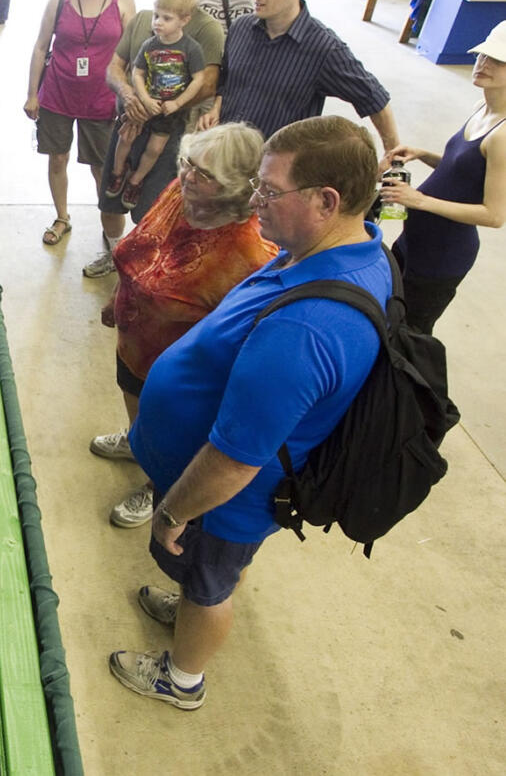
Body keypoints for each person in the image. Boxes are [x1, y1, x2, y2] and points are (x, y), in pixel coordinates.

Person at [109, 115, 392, 709]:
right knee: (205, 578)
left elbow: (235, 460)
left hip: (223, 502)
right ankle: (191, 602)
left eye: (268, 191)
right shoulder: (335, 246)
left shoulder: (307, 328)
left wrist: (171, 512)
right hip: (212, 491)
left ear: (326, 200)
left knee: (211, 582)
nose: (253, 200)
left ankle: (182, 679)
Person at [92, 124, 278, 529]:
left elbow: (244, 337)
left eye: (205, 174)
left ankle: (156, 482)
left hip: (180, 367)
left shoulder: (250, 252)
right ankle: (135, 439)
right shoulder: (182, 191)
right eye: (188, 163)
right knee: (133, 395)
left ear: (236, 188)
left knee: (167, 432)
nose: (189, 176)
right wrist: (118, 298)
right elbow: (142, 243)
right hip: (136, 337)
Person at [86, 0, 224, 278]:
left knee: (152, 207)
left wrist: (155, 110)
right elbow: (117, 68)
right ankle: (115, 253)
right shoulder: (145, 19)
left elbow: (207, 84)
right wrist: (131, 97)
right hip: (127, 123)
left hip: (169, 130)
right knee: (110, 197)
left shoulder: (206, 31)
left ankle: (138, 270)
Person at [199, 0, 398, 151]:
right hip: (224, 153)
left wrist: (393, 156)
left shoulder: (324, 49)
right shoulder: (241, 27)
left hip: (270, 167)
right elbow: (227, 78)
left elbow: (374, 99)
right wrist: (217, 107)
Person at [378, 21, 506, 334]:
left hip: (442, 256)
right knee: (386, 310)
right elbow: (462, 171)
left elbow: (494, 214)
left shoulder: (502, 136)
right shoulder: (482, 106)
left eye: (497, 61)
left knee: (409, 335)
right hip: (415, 239)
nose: (482, 64)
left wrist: (419, 200)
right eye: (482, 55)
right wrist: (424, 154)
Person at [23, 0, 136, 247]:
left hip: (102, 99)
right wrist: (32, 93)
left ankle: (111, 226)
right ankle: (62, 216)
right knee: (57, 158)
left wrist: (130, 95)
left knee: (102, 167)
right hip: (58, 93)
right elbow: (40, 46)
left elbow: (132, 53)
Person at [108, 0, 208, 211]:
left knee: (155, 149)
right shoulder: (150, 44)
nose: (158, 22)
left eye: (166, 18)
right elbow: (137, 71)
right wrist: (143, 98)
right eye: (156, 16)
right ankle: (117, 171)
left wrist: (178, 103)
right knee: (126, 137)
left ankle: (136, 180)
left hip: (169, 110)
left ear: (184, 20)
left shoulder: (190, 48)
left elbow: (198, 80)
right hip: (144, 106)